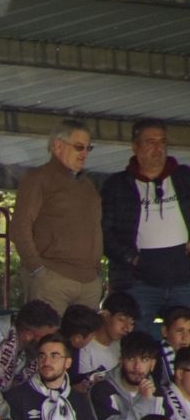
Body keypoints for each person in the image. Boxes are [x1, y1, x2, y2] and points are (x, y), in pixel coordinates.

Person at [103, 121, 190, 328]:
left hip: (184, 279)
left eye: (162, 142)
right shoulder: (118, 185)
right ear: (135, 146)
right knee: (139, 343)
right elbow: (104, 232)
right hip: (138, 282)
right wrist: (130, 257)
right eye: (150, 142)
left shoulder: (184, 177)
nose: (158, 148)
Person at [14, 121, 103, 313]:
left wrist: (96, 274)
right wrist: (37, 269)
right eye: (79, 147)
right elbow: (20, 226)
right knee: (47, 340)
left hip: (88, 282)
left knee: (82, 343)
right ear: (58, 146)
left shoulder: (88, 186)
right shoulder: (39, 178)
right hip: (52, 277)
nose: (85, 153)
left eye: (89, 148)